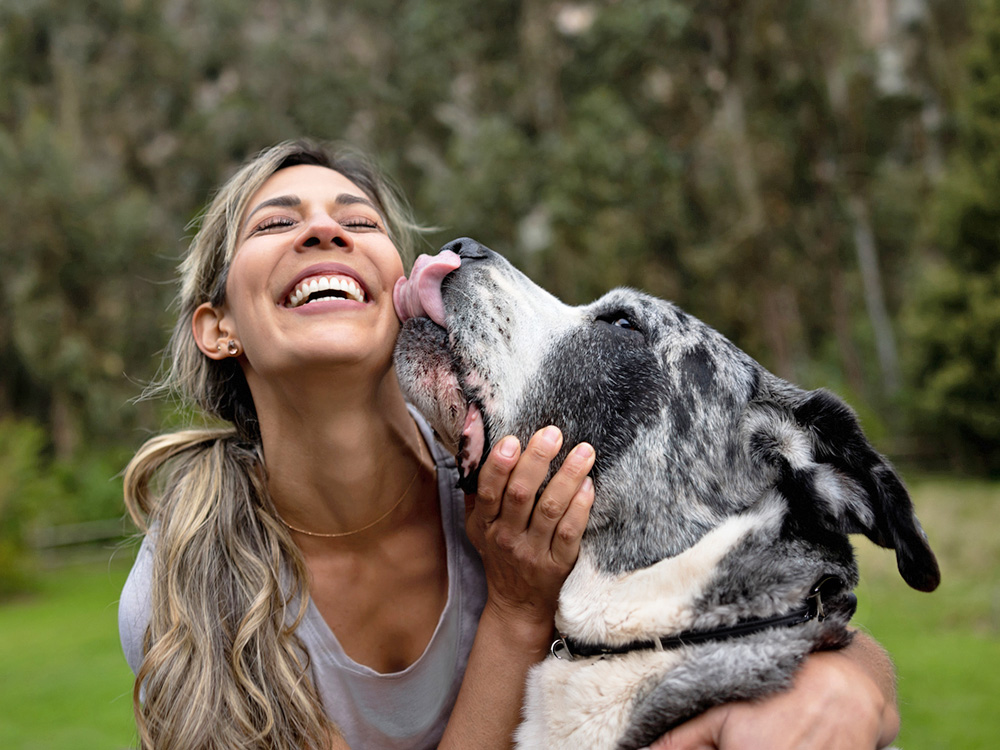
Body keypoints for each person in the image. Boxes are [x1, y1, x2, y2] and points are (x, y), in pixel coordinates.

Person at [119, 139, 901, 750]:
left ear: (402, 291)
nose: (324, 229)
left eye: (359, 222)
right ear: (216, 327)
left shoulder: (527, 470)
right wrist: (518, 607)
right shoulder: (188, 587)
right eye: (277, 222)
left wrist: (841, 686)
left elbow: (768, 602)